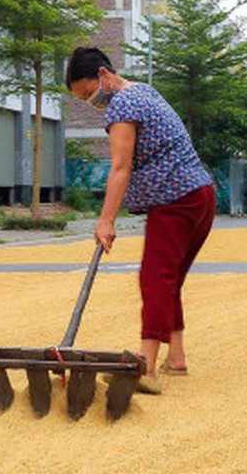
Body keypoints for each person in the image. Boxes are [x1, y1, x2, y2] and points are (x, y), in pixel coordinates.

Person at [64, 46, 216, 395]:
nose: (90, 102)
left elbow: (120, 166)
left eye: (88, 93)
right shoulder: (143, 91)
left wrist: (106, 222)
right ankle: (175, 357)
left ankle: (145, 369)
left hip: (176, 199)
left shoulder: (122, 104)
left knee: (155, 277)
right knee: (170, 277)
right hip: (200, 196)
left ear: (103, 75)